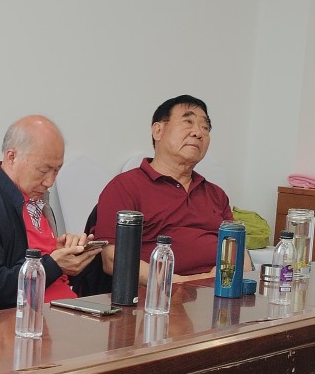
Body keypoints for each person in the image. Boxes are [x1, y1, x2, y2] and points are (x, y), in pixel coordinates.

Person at [94, 95, 251, 283]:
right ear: (158, 130)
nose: (198, 133)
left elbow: (240, 256)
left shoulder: (215, 194)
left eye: (205, 127)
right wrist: (181, 283)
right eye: (188, 122)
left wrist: (218, 281)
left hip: (217, 292)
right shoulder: (125, 186)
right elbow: (113, 259)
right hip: (158, 293)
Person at [0, 115, 100, 314]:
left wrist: (71, 257)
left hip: (61, 310)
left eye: (57, 171)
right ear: (12, 157)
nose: (50, 182)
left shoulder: (37, 201)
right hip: (16, 322)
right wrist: (53, 265)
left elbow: (49, 268)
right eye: (43, 170)